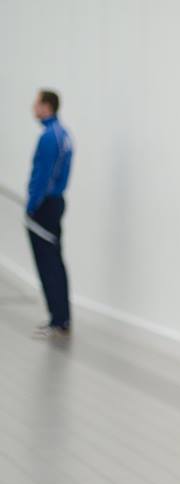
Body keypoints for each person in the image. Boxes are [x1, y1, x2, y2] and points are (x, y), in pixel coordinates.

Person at [27, 89, 73, 339]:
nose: (33, 107)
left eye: (36, 103)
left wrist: (32, 205)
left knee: (48, 263)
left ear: (46, 106)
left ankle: (58, 319)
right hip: (53, 204)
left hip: (45, 206)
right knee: (54, 261)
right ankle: (61, 318)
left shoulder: (50, 136)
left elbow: (44, 176)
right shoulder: (63, 135)